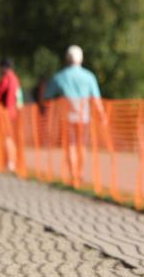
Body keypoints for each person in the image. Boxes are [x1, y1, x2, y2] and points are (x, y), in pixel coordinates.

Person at [44, 45, 106, 187]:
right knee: (82, 145)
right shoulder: (89, 76)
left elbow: (47, 95)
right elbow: (96, 99)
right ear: (81, 58)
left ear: (67, 58)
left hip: (67, 117)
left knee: (70, 145)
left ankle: (73, 174)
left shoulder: (60, 77)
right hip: (84, 117)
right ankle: (80, 172)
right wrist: (102, 115)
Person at [0, 57, 22, 172]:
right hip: (14, 111)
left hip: (5, 111)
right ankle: (11, 161)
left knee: (6, 137)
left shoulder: (6, 79)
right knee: (10, 137)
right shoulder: (15, 78)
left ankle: (9, 162)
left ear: (4, 67)